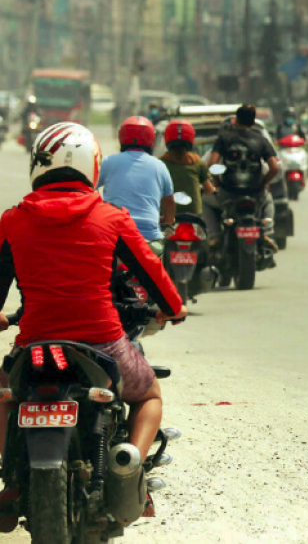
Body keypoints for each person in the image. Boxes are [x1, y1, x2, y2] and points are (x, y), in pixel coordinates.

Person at [0, 123, 187, 531]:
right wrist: (173, 307)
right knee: (149, 393)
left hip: (33, 346)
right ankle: (128, 468)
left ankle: (9, 481)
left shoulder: (12, 221)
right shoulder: (112, 217)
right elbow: (151, 272)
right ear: (92, 165)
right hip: (103, 344)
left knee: (4, 395)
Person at [204, 104, 280, 252]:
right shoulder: (261, 140)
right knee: (268, 200)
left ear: (236, 120)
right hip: (255, 194)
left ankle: (215, 236)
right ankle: (266, 233)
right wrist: (264, 183)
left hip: (228, 194)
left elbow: (212, 164)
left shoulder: (224, 138)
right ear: (252, 122)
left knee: (206, 202)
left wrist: (217, 183)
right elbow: (275, 167)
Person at [98, 116, 175, 257]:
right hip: (150, 239)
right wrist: (168, 219)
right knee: (157, 269)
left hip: (114, 236)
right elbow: (169, 204)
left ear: (122, 136)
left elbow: (89, 189)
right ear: (151, 138)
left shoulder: (108, 162)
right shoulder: (160, 166)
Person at [161, 120, 215, 215]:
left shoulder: (160, 164)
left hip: (167, 216)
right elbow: (209, 189)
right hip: (193, 216)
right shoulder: (197, 162)